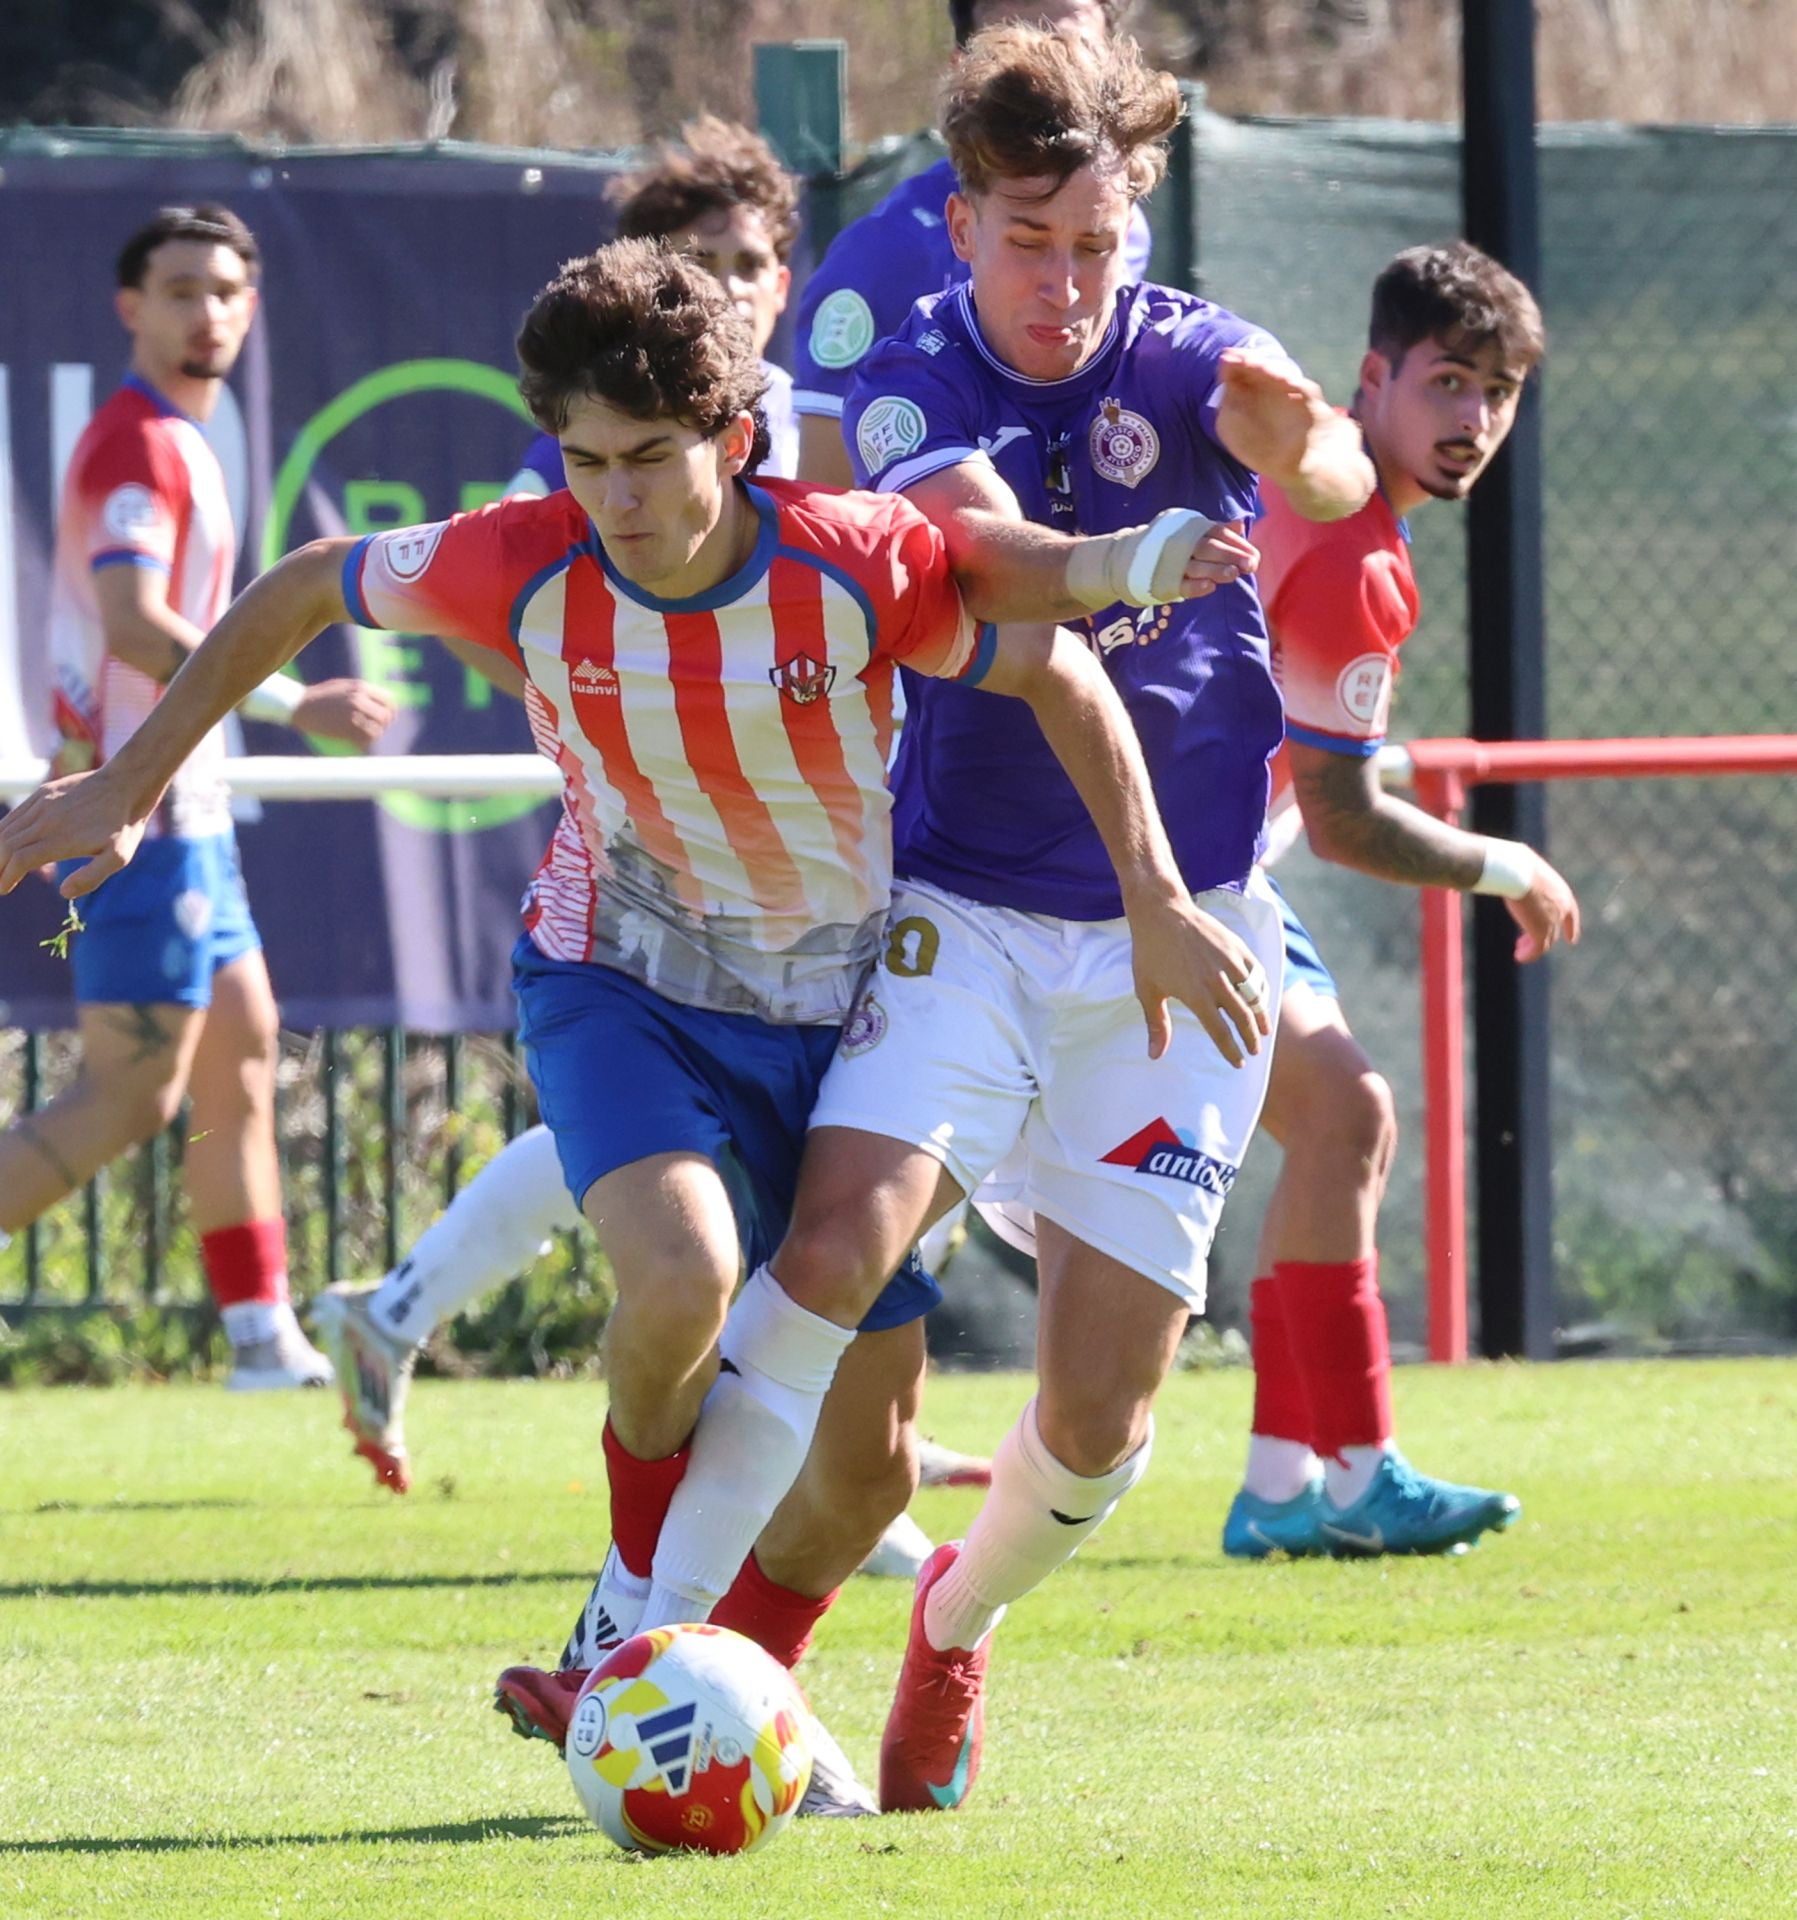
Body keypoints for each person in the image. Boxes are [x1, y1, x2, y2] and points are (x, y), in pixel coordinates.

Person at [0, 236, 1263, 1813]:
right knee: (682, 1282)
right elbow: (308, 589)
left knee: (864, 1474)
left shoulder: (847, 555)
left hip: (832, 1009)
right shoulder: (521, 556)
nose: (619, 495)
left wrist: (1144, 827)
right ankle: (632, 1624)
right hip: (620, 985)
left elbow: (1049, 657)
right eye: (587, 460)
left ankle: (715, 1698)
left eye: (653, 458)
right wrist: (125, 784)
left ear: (735, 438)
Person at [500, 25, 1374, 1813]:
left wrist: (1321, 449)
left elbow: (1307, 442)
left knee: (1102, 1425)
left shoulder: (1190, 347)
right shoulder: (902, 382)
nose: (1064, 284)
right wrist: (1139, 562)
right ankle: (651, 1651)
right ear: (958, 222)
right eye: (1028, 242)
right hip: (962, 914)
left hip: (1188, 929)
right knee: (824, 1254)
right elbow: (994, 579)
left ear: (1135, 226)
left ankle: (955, 1626)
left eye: (1098, 245)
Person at [315, 116, 808, 1496]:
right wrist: (609, 709)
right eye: (705, 260)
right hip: (666, 866)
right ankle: (755, 1469)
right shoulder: (604, 457)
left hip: (822, 865)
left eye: (757, 257)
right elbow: (502, 601)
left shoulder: (818, 426)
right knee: (669, 1156)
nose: (738, 282)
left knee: (737, 1155)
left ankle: (402, 1307)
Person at [1220, 242, 1579, 1560]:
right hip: (1123, 883)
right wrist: (1509, 866)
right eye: (1446, 382)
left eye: (1496, 391)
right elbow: (1344, 815)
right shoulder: (1357, 554)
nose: (1472, 420)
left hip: (1194, 869)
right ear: (1374, 379)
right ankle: (1339, 1478)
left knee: (1339, 1122)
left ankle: (1286, 1486)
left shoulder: (1305, 465)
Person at [0, 204, 392, 1389]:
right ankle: (261, 1331)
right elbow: (128, 623)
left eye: (224, 290)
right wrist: (292, 704)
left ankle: (259, 1335)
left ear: (251, 307)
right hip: (138, 815)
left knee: (241, 1053)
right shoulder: (137, 442)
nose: (205, 311)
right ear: (132, 308)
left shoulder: (178, 439)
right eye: (179, 290)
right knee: (130, 1094)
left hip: (188, 808)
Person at [792, 0, 1149, 490]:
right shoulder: (878, 262)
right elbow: (827, 511)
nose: (1047, 72)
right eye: (1014, 46)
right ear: (964, 74)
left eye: (1070, 48)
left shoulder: (1127, 223)